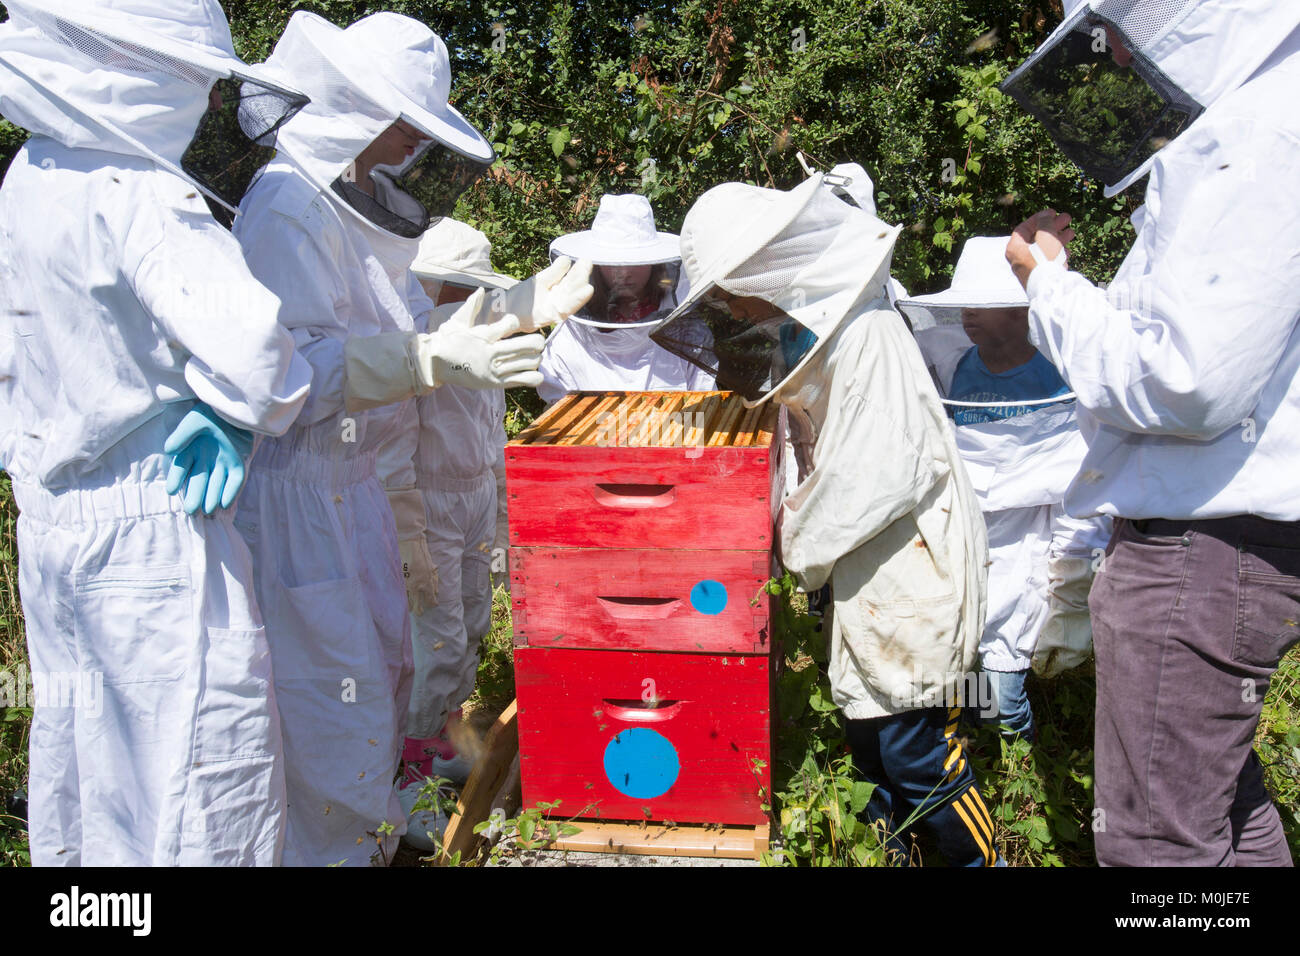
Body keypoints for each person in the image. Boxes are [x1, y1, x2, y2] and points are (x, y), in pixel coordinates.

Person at [231, 11, 590, 865]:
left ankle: (373, 838)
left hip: (349, 496)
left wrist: (503, 310)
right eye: (405, 122)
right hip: (298, 497)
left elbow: (391, 330)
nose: (409, 146)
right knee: (328, 720)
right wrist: (431, 356)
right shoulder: (288, 206)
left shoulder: (352, 210)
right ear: (357, 107)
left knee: (379, 697)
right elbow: (282, 377)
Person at [0, 0, 313, 865]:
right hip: (156, 525)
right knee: (203, 769)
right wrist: (234, 413)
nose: (206, 98)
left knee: (94, 773)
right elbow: (255, 345)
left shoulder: (29, 175)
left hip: (52, 525)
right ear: (130, 66)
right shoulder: (138, 191)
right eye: (191, 74)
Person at [1002, 0, 1300, 865]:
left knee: (1154, 849)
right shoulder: (1263, 117)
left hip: (1198, 555)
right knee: (1224, 820)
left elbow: (1187, 382)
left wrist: (1052, 288)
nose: (1121, 62)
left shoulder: (1259, 133)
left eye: (1116, 37)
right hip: (1226, 551)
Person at [651, 170, 1001, 866]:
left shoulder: (869, 335)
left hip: (916, 570)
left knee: (922, 754)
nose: (729, 306)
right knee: (872, 740)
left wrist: (782, 542)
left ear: (766, 266)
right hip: (874, 578)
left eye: (730, 286)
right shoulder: (827, 331)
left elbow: (871, 479)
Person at [901, 237, 1110, 740]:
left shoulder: (1059, 374)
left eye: (982, 306)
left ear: (1021, 313)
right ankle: (988, 767)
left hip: (1025, 551)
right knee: (959, 673)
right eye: (965, 306)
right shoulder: (951, 365)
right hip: (959, 538)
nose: (969, 315)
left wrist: (1071, 586)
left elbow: (1075, 479)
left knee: (999, 690)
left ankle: (1023, 775)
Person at [395, 218, 518, 849]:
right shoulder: (407, 346)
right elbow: (391, 448)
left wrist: (499, 522)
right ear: (432, 283)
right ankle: (408, 788)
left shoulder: (482, 344)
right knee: (433, 644)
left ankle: (444, 748)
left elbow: (492, 440)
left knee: (470, 626)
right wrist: (407, 532)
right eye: (458, 287)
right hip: (428, 504)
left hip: (470, 502)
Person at [538, 193, 712, 404]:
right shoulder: (569, 337)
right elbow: (558, 410)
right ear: (597, 266)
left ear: (654, 263)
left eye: (635, 262)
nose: (624, 273)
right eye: (613, 263)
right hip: (592, 436)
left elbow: (703, 404)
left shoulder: (687, 333)